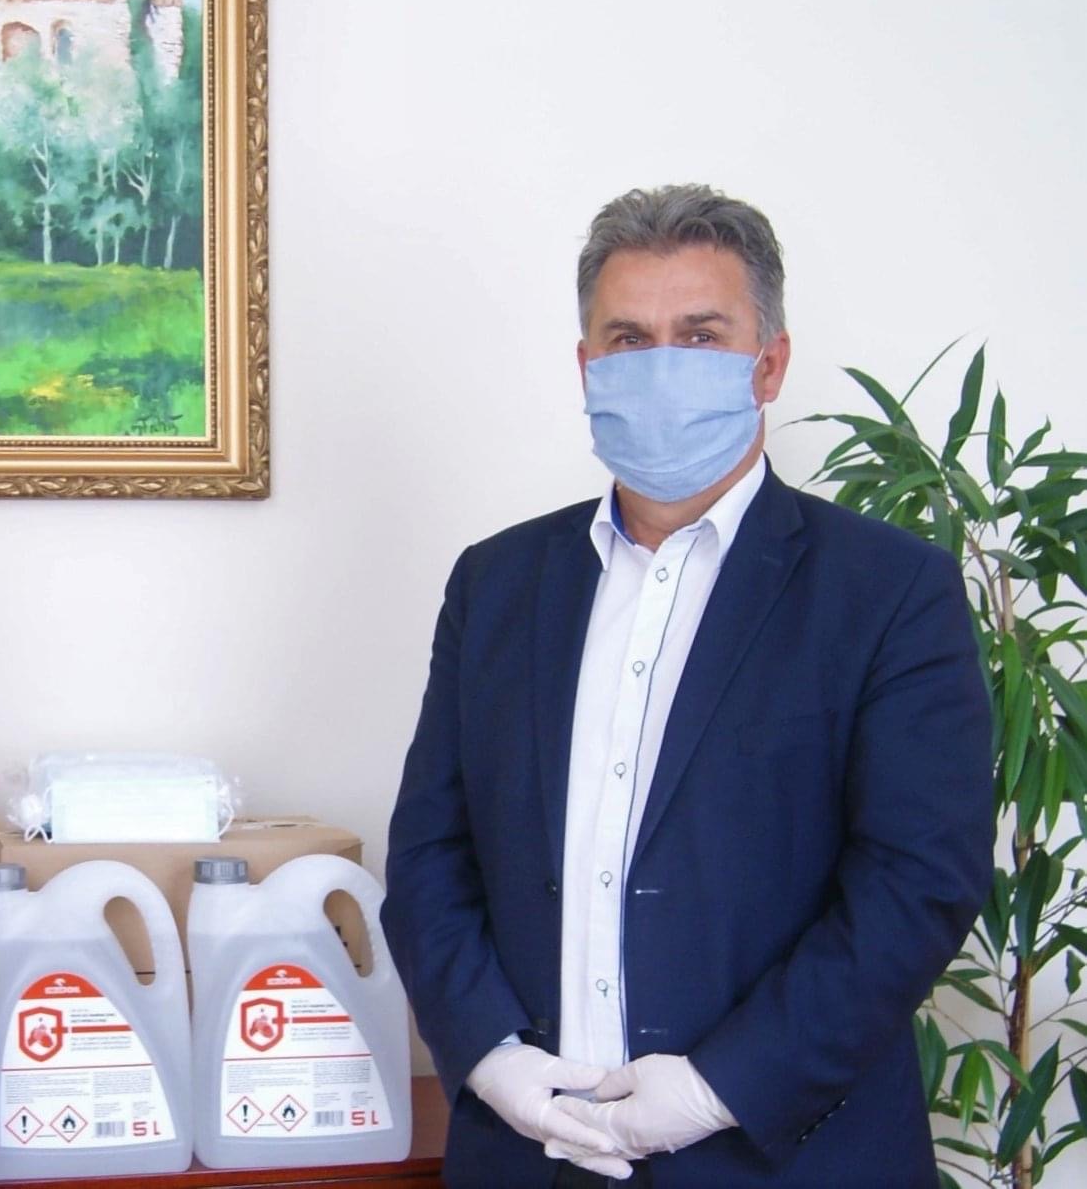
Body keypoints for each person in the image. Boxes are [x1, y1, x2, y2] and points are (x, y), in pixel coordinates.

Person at [381, 186, 992, 1188]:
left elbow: (916, 883)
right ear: (587, 366)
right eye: (628, 338)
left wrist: (716, 1089)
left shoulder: (889, 591)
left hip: (782, 1159)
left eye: (700, 335)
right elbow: (429, 858)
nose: (660, 364)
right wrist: (490, 1061)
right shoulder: (495, 585)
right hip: (527, 1156)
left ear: (769, 363)